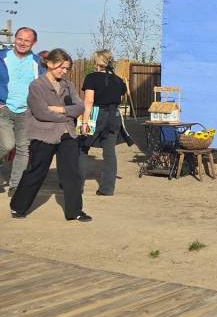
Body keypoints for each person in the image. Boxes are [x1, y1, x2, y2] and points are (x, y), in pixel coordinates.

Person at [9, 49, 91, 222]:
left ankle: (75, 211)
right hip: (43, 134)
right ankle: (18, 206)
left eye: (67, 68)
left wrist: (60, 109)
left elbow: (80, 106)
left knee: (72, 173)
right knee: (36, 171)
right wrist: (68, 114)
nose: (65, 71)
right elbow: (41, 113)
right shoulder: (36, 85)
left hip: (67, 134)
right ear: (50, 64)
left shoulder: (68, 85)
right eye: (62, 67)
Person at [79, 49, 131, 196]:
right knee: (109, 152)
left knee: (81, 148)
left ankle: (77, 186)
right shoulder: (119, 80)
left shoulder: (91, 78)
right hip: (114, 116)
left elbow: (89, 101)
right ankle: (107, 189)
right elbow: (120, 98)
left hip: (96, 115)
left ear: (96, 62)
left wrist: (84, 122)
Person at [0, 27, 44, 197]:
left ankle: (15, 186)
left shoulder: (37, 62)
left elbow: (43, 85)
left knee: (23, 149)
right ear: (15, 38)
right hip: (4, 109)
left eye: (27, 40)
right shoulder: (2, 56)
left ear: (34, 43)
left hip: (26, 112)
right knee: (7, 145)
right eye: (20, 38)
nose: (22, 43)